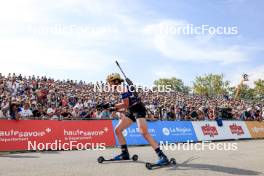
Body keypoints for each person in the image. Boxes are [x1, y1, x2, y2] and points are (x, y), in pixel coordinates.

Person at [106, 73, 170, 165]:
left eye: (110, 82)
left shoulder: (120, 87)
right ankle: (125, 154)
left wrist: (112, 106)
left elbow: (126, 104)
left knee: (144, 133)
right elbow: (126, 106)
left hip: (138, 110)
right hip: (132, 110)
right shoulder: (122, 87)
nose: (109, 84)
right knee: (118, 130)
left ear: (115, 81)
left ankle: (162, 156)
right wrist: (113, 107)